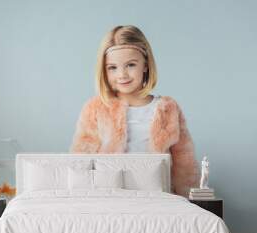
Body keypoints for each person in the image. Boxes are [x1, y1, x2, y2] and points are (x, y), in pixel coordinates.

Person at [70, 25, 199, 197]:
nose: (122, 74)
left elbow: (184, 163)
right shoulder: (95, 108)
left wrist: (189, 201)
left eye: (130, 65)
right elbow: (81, 161)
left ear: (145, 65)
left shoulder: (168, 108)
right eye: (112, 68)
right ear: (104, 70)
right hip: (107, 197)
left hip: (157, 198)